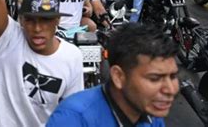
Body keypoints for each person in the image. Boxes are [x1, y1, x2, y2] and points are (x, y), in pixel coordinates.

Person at [47, 23, 179, 127]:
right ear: (118, 76)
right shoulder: (73, 118)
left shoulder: (151, 112)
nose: (171, 90)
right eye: (155, 79)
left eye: (173, 77)